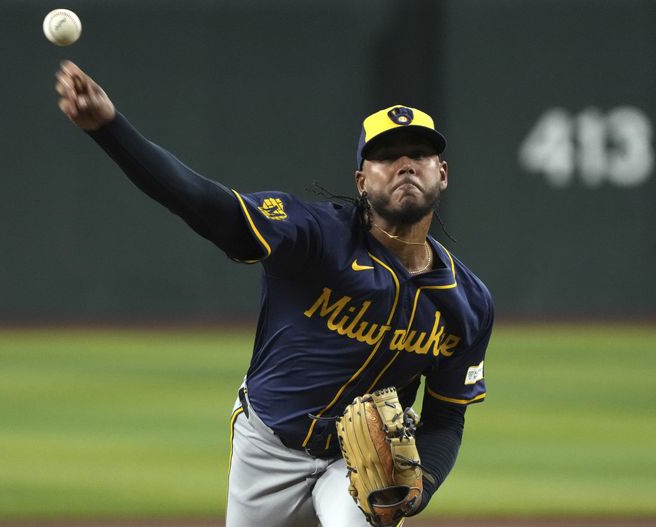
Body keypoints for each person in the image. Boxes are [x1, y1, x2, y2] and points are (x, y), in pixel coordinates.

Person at [55, 60, 493, 527]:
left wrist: (419, 486)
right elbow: (205, 203)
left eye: (419, 153)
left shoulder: (468, 302)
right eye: (386, 156)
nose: (405, 164)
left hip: (359, 463)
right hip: (267, 448)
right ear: (362, 182)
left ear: (441, 173)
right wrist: (109, 129)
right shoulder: (313, 234)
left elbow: (446, 419)